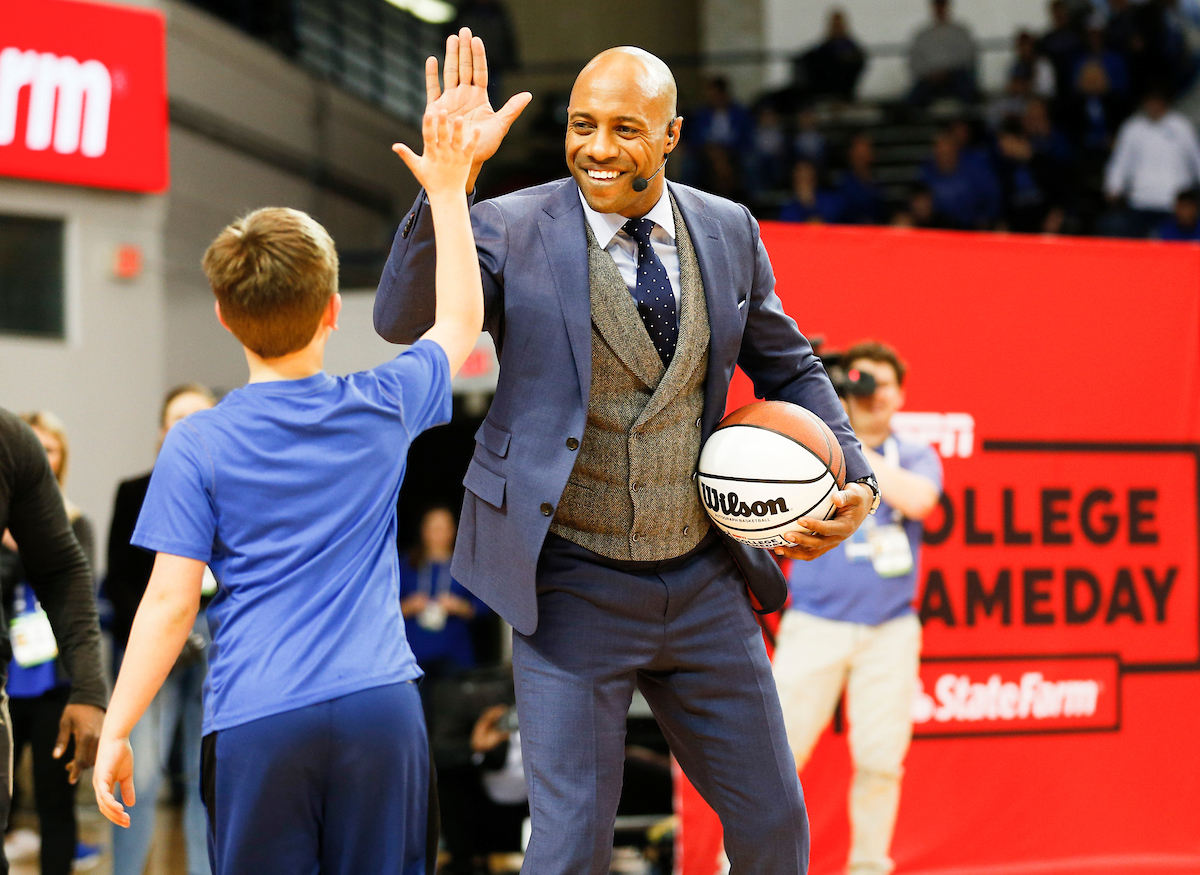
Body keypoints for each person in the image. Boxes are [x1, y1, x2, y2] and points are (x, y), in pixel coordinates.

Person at [374, 29, 880, 875]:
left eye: (624, 128)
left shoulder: (728, 229)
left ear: (672, 135)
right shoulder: (507, 225)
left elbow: (791, 365)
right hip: (569, 581)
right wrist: (447, 189)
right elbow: (399, 318)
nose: (598, 148)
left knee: (774, 825)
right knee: (572, 843)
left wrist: (855, 475)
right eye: (582, 125)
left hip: (705, 577)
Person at [92, 106, 485, 875]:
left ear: (223, 316)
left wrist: (117, 727)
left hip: (258, 716)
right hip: (379, 708)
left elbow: (169, 603)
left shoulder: (196, 442)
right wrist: (448, 190)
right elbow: (461, 318)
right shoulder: (383, 402)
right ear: (334, 311)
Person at [773, 341, 943, 875]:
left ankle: (869, 866)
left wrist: (852, 445)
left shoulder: (912, 454)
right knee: (775, 759)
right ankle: (745, 865)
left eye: (881, 385)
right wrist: (832, 424)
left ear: (901, 394)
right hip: (815, 624)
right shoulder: (815, 449)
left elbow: (920, 500)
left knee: (881, 760)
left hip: (889, 630)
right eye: (859, 383)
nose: (872, 395)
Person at [105, 384, 215, 875]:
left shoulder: (233, 492)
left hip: (215, 645)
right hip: (151, 645)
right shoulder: (134, 492)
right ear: (161, 432)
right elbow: (119, 580)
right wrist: (165, 630)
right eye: (178, 418)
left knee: (206, 778)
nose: (188, 427)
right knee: (141, 775)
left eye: (199, 416)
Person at [0, 409, 108, 875]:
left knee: (54, 801)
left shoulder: (10, 444)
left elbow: (65, 573)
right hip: (16, 672)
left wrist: (89, 687)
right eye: (40, 446)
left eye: (52, 449)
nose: (45, 456)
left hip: (49, 679)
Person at [400, 505, 488, 678]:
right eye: (433, 528)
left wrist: (459, 606)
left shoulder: (466, 565)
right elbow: (384, 607)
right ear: (423, 531)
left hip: (455, 656)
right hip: (413, 655)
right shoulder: (406, 564)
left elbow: (485, 607)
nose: (438, 534)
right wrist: (409, 606)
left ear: (453, 531)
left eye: (443, 528)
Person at [1103, 88, 1200, 236]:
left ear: (1165, 103)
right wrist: (1113, 186)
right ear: (1145, 103)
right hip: (1140, 201)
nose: (1154, 106)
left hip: (1173, 203)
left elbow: (1196, 159)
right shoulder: (1132, 128)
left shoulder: (1182, 127)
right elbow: (1120, 160)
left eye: (1158, 101)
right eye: (1151, 102)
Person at [907, 0, 979, 105]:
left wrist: (946, 71)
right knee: (914, 98)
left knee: (967, 90)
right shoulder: (923, 35)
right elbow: (915, 60)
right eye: (938, 5)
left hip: (955, 76)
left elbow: (967, 56)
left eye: (942, 5)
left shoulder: (960, 32)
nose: (940, 9)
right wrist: (930, 74)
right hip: (929, 78)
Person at [794, 8, 867, 103]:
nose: (836, 27)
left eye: (838, 24)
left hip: (841, 91)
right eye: (834, 24)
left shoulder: (851, 49)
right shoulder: (822, 49)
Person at [834, 133, 888, 225]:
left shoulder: (877, 183)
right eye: (861, 148)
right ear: (851, 153)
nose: (865, 152)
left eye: (868, 147)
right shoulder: (842, 184)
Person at [778, 160, 843, 223]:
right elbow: (788, 224)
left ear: (815, 179)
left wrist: (810, 203)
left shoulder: (830, 201)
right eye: (800, 179)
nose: (804, 183)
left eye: (808, 178)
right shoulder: (788, 209)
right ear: (794, 182)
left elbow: (837, 219)